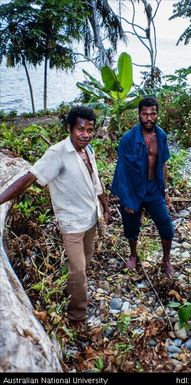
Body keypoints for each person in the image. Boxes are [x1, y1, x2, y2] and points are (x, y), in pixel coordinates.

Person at [0, 106, 109, 328]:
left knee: (85, 263)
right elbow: (29, 178)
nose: (86, 134)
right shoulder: (57, 153)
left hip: (91, 219)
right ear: (69, 128)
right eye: (81, 129)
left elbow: (96, 182)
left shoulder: (88, 151)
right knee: (78, 270)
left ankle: (71, 290)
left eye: (90, 129)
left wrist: (105, 206)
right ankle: (76, 316)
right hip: (72, 225)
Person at [111, 97, 174, 278]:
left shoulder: (161, 136)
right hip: (132, 189)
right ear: (139, 114)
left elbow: (162, 164)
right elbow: (121, 171)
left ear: (157, 114)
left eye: (152, 113)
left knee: (166, 226)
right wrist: (125, 199)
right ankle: (133, 254)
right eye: (145, 114)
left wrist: (166, 192)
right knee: (131, 226)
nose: (149, 118)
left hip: (153, 189)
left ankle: (166, 260)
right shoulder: (128, 139)